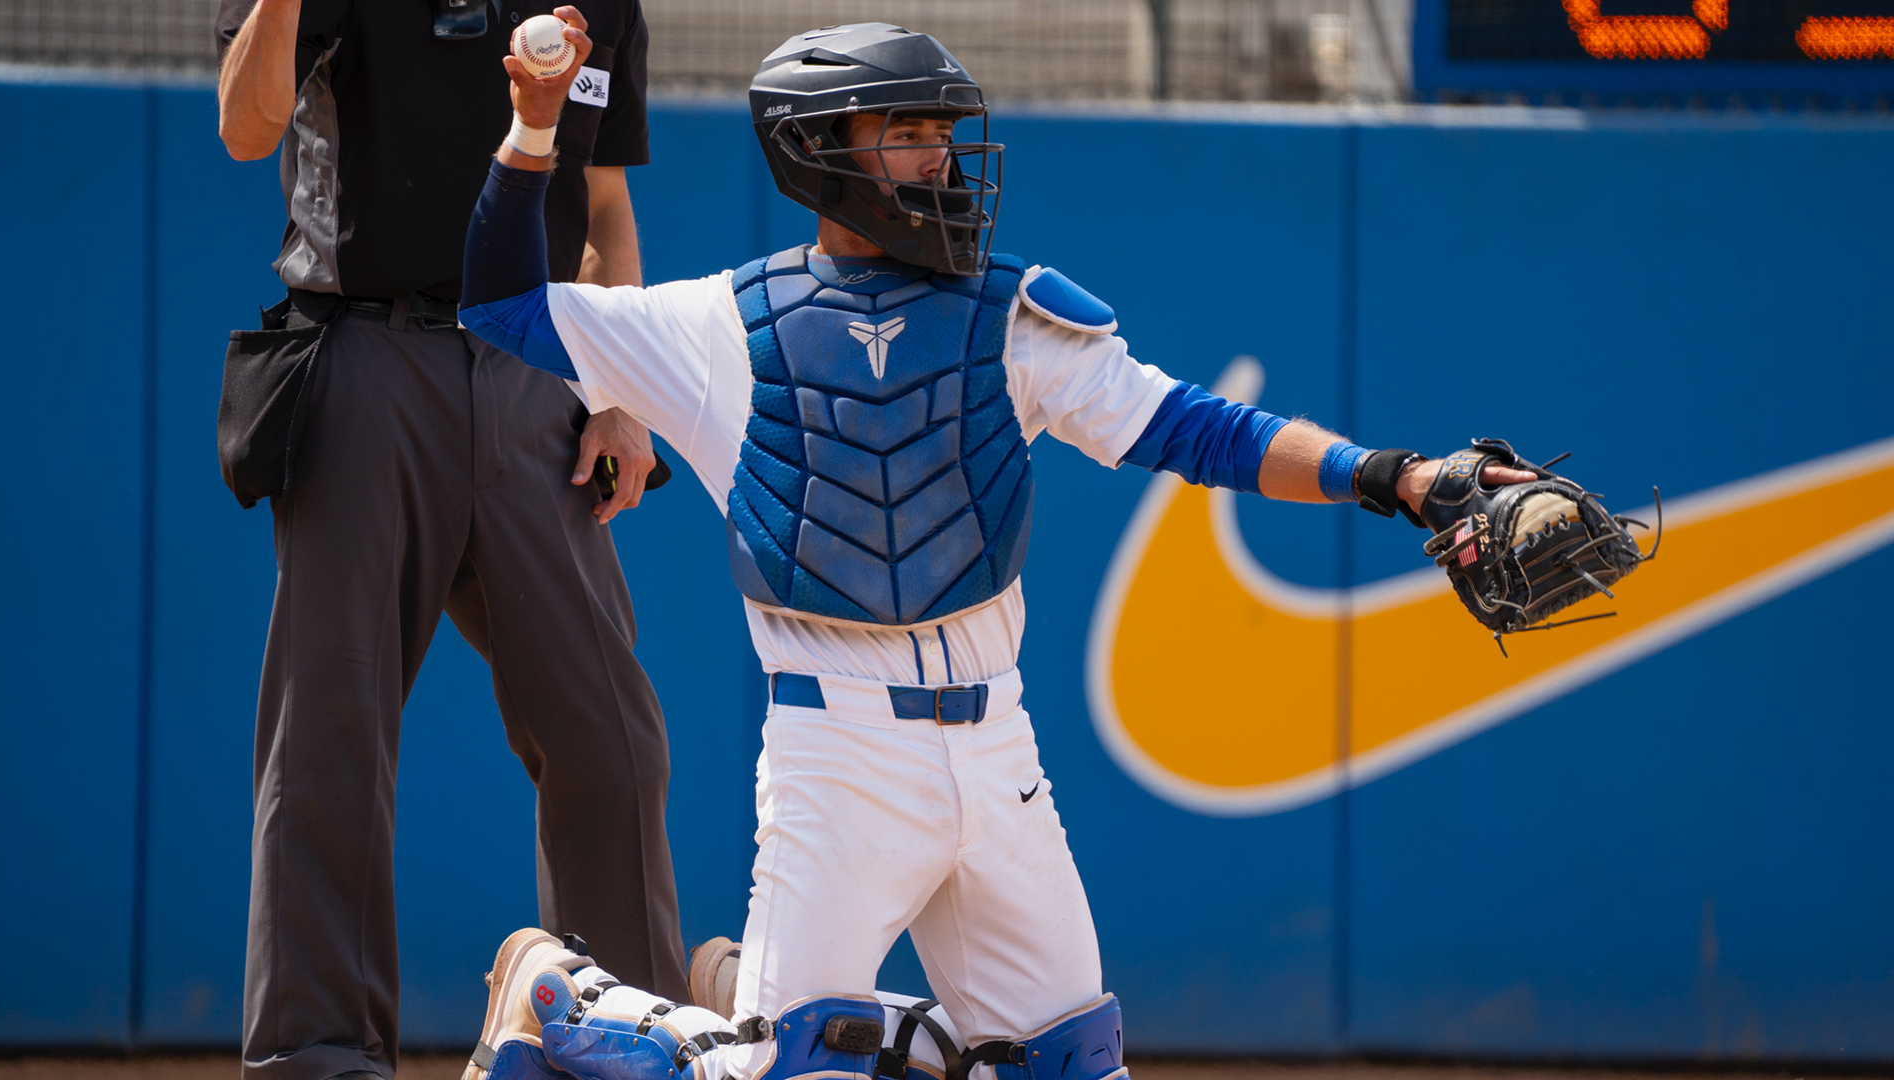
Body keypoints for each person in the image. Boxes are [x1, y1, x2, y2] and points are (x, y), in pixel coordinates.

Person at [449, 21, 1539, 1080]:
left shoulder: (1007, 315)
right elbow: (500, 305)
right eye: (910, 132)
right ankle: (572, 1005)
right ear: (822, 151)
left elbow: (1202, 430)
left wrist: (1393, 475)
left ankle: (841, 1030)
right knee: (784, 1075)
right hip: (837, 756)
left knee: (1068, 1068)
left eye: (944, 132)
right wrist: (534, 128)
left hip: (995, 751)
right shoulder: (720, 327)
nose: (943, 158)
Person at [213, 2, 686, 1076]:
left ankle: (621, 1045)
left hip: (536, 373)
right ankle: (319, 1052)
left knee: (612, 742)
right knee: (331, 736)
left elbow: (604, 208)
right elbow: (248, 129)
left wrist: (619, 389)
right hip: (366, 357)